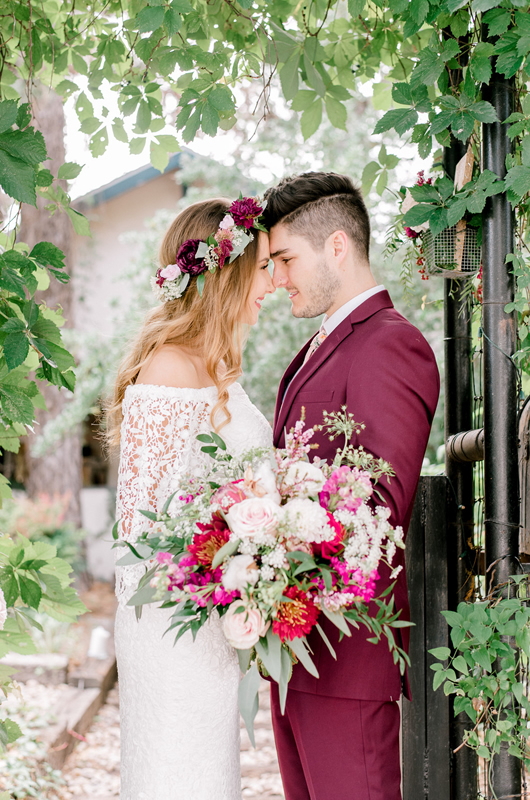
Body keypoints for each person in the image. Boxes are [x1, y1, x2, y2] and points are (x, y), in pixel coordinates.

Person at [263, 172, 440, 800]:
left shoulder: (393, 346)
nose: (277, 278)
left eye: (285, 259)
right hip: (299, 652)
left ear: (337, 245)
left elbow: (381, 511)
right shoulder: (320, 347)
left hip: (347, 659)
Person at [106, 197, 275, 800]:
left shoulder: (217, 368)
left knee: (211, 777)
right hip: (171, 625)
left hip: (209, 619)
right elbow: (142, 530)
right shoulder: (168, 369)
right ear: (227, 273)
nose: (274, 281)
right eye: (263, 268)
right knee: (179, 776)